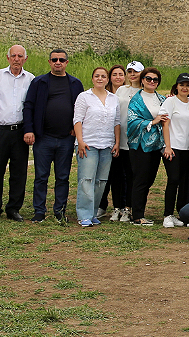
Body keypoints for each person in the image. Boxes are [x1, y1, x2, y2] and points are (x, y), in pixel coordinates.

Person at [23, 49, 84, 225]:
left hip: (65, 138)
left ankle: (59, 210)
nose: (58, 62)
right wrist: (29, 129)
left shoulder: (75, 84)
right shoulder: (39, 82)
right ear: (49, 62)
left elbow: (81, 109)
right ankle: (39, 211)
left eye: (61, 60)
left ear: (67, 63)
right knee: (41, 176)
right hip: (44, 138)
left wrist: (76, 128)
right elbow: (29, 106)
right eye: (54, 59)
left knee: (62, 177)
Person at [0, 44, 34, 223]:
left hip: (20, 131)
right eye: (13, 56)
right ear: (8, 58)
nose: (16, 59)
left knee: (19, 172)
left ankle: (14, 208)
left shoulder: (30, 79)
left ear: (25, 59)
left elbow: (31, 106)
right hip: (0, 131)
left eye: (20, 56)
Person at [73, 66, 120, 227]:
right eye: (97, 76)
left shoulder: (114, 98)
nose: (100, 79)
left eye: (103, 76)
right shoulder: (84, 97)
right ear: (92, 79)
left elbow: (117, 122)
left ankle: (93, 213)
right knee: (86, 179)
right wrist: (80, 141)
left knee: (101, 181)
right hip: (88, 144)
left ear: (107, 80)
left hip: (107, 144)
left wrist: (117, 142)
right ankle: (84, 214)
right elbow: (77, 120)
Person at [125, 66, 167, 225]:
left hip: (156, 146)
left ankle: (139, 211)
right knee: (140, 180)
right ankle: (137, 215)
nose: (152, 82)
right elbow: (131, 121)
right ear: (142, 80)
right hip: (140, 146)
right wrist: (151, 121)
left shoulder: (162, 99)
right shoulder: (136, 100)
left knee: (150, 179)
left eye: (155, 79)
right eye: (148, 78)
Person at [160, 73, 189, 227]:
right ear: (176, 87)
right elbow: (165, 124)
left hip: (188, 148)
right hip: (172, 147)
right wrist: (167, 146)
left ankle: (183, 213)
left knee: (185, 181)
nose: (184, 88)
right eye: (182, 85)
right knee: (173, 179)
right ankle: (167, 215)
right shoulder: (170, 101)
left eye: (187, 85)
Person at [100, 64, 132, 221]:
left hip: (122, 140)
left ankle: (123, 206)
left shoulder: (127, 93)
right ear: (109, 77)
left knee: (122, 174)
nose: (118, 77)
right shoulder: (103, 94)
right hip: (106, 138)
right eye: (114, 74)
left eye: (121, 74)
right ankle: (102, 205)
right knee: (106, 173)